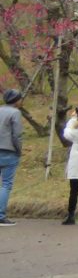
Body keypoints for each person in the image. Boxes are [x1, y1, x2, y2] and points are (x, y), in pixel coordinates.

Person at [0, 88, 23, 226]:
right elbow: (16, 135)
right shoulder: (15, 113)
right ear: (16, 100)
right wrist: (19, 150)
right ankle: (1, 215)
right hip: (8, 151)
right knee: (6, 184)